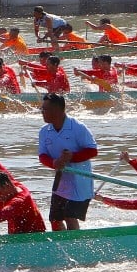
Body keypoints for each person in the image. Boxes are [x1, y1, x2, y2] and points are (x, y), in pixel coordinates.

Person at [38, 93, 98, 231]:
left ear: (57, 110)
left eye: (45, 109)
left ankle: (75, 246)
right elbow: (42, 156)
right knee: (55, 219)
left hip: (80, 180)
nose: (42, 113)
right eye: (42, 109)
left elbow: (92, 151)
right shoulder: (44, 131)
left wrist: (72, 157)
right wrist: (54, 163)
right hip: (61, 182)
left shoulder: (78, 128)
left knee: (70, 216)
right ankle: (61, 247)